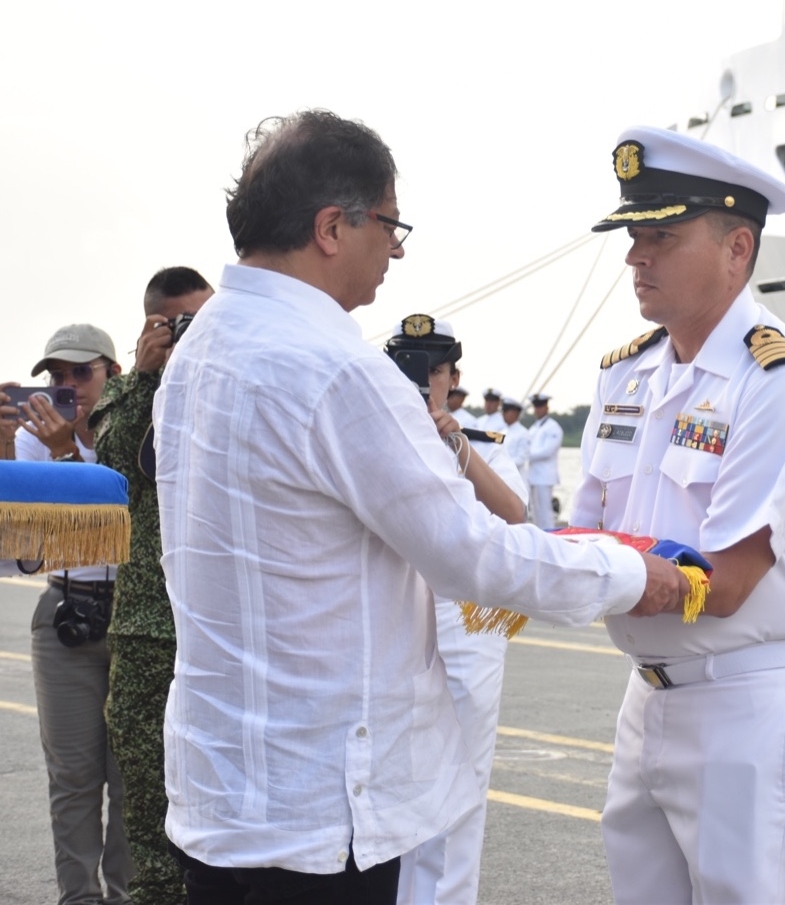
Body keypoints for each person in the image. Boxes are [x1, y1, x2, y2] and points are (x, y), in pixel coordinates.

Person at [155, 110, 683, 902]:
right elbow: (469, 552)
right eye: (391, 226)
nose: (396, 253)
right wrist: (630, 573)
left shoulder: (201, 347)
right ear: (333, 226)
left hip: (227, 795)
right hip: (322, 814)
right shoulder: (334, 368)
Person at [571, 125, 785, 904]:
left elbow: (723, 584)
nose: (635, 255)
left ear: (737, 247)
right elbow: (580, 528)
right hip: (648, 694)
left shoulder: (780, 379)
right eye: (633, 235)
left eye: (660, 233)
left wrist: (566, 569)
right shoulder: (627, 375)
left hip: (746, 704)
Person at [383, 315, 528, 904]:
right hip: (389, 625)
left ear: (453, 377)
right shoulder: (366, 435)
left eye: (434, 370)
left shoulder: (478, 444)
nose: (422, 382)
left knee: (461, 790)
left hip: (463, 627)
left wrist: (454, 442)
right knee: (388, 793)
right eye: (409, 367)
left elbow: (516, 517)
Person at [90, 268, 214, 905]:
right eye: (181, 325)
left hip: (221, 628)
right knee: (149, 813)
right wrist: (144, 378)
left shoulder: (231, 383)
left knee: (225, 817)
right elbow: (110, 471)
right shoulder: (126, 395)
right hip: (147, 629)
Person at [7, 324, 131, 905]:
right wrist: (29, 454)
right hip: (67, 612)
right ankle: (78, 898)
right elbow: (32, 555)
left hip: (136, 616)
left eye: (82, 372)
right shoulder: (34, 437)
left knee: (134, 776)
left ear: (114, 375)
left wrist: (68, 452)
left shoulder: (135, 427)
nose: (68, 386)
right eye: (57, 376)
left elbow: (132, 506)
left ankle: (127, 894)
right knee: (74, 778)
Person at [525, 392, 562, 527]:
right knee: (535, 512)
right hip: (533, 475)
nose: (538, 409)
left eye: (540, 406)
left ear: (547, 407)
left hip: (545, 476)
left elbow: (547, 452)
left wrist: (525, 455)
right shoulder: (533, 428)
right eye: (536, 407)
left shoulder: (553, 427)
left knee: (545, 512)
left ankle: (550, 537)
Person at [498, 395, 530, 478]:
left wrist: (503, 466)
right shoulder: (502, 432)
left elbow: (521, 458)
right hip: (501, 476)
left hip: (516, 478)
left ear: (516, 413)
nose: (503, 414)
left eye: (506, 410)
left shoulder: (523, 433)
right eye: (503, 411)